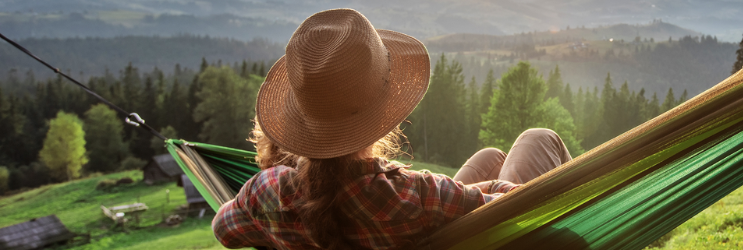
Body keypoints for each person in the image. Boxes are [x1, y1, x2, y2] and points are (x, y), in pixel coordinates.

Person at [211, 8, 572, 249]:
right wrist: (492, 188)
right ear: (384, 114)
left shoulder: (265, 192)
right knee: (538, 138)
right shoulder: (417, 196)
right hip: (455, 229)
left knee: (490, 155)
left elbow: (223, 230)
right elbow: (524, 208)